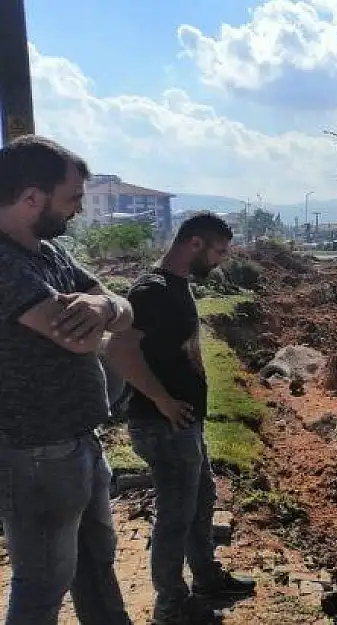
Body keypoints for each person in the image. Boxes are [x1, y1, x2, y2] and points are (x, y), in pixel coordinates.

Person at [0, 135, 134, 624]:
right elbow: (78, 340)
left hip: (78, 441)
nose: (79, 210)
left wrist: (103, 305)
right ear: (33, 197)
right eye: (73, 199)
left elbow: (117, 306)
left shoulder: (47, 253)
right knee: (42, 585)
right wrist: (106, 317)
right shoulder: (6, 264)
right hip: (35, 455)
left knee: (96, 563)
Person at [106, 213, 255, 624]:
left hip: (183, 424)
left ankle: (206, 578)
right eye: (218, 251)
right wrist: (162, 400)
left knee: (200, 500)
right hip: (163, 425)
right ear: (194, 244)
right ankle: (171, 606)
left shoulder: (176, 286)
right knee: (174, 516)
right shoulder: (152, 291)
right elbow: (120, 351)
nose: (221, 260)